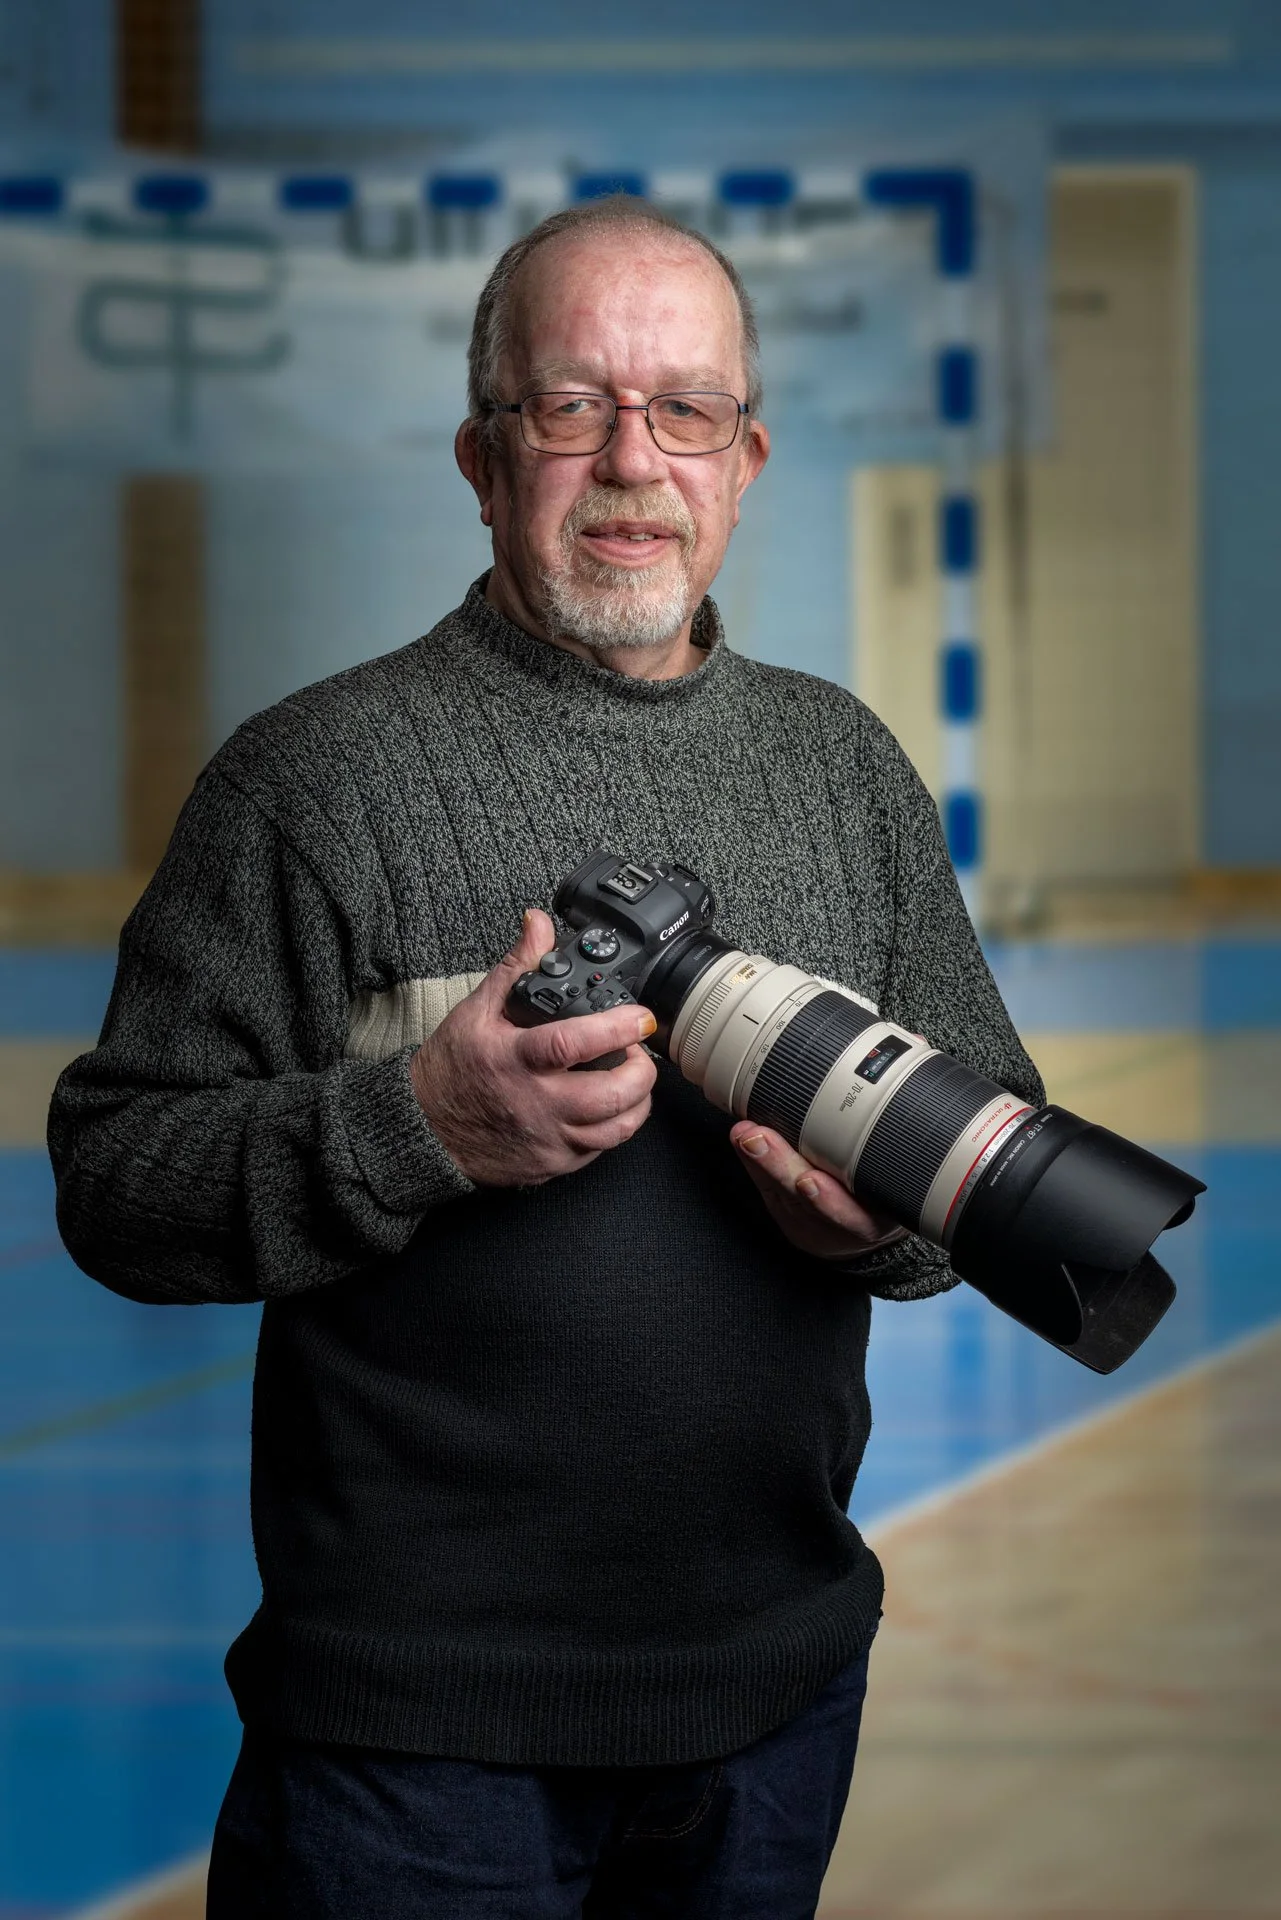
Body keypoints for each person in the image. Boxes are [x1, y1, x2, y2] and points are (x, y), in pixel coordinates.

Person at [48, 196, 1043, 1919]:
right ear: (481, 453)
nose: (632, 461)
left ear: (747, 458)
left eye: (687, 411)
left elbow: (991, 1158)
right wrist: (417, 1122)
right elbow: (117, 1186)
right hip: (412, 1752)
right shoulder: (315, 780)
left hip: (772, 1706)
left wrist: (870, 1227)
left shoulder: (845, 770)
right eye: (571, 406)